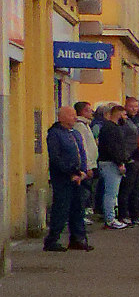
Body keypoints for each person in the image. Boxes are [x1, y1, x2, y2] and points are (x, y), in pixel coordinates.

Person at [44, 106, 93, 252]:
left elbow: (82, 154)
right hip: (63, 179)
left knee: (78, 209)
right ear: (62, 117)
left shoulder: (76, 134)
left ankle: (77, 239)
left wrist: (83, 171)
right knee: (61, 209)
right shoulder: (55, 134)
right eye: (71, 115)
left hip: (78, 177)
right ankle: (52, 240)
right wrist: (70, 172)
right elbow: (56, 158)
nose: (74, 118)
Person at [96, 105, 136, 230]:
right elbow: (114, 148)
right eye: (124, 115)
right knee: (111, 193)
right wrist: (120, 163)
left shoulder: (109, 127)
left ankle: (111, 217)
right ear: (118, 114)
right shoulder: (112, 129)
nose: (125, 117)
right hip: (111, 163)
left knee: (111, 193)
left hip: (108, 162)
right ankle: (110, 219)